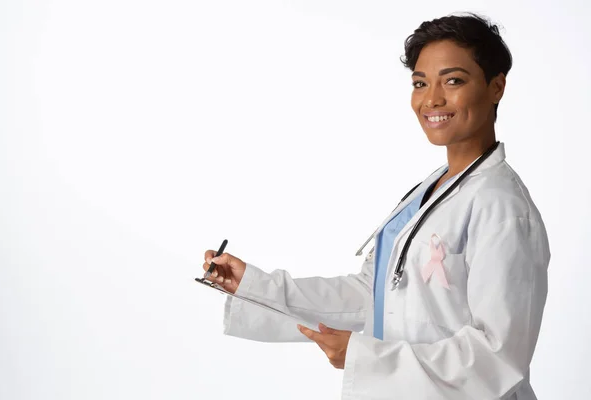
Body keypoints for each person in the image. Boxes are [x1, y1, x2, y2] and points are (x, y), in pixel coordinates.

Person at [200, 13, 550, 400]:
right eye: (420, 83)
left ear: (496, 86)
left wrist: (368, 358)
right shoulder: (433, 189)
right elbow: (375, 294)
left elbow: (498, 357)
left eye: (453, 80)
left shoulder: (502, 208)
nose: (432, 98)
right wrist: (255, 285)